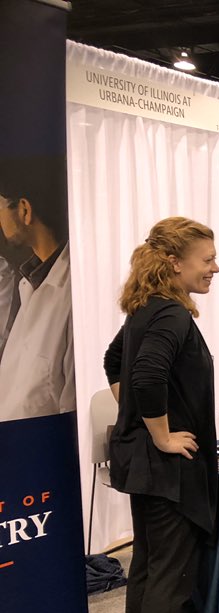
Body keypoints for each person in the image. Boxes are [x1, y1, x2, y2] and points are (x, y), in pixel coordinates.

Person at [103, 217, 219, 613]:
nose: (214, 268)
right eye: (207, 260)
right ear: (175, 263)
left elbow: (114, 362)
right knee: (169, 574)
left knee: (150, 568)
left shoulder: (146, 310)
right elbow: (146, 373)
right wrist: (161, 433)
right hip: (165, 469)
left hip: (144, 465)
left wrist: (132, 417)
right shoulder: (170, 315)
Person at [0, 156, 74, 420]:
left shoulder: (71, 294)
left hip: (44, 445)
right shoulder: (31, 282)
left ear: (24, 210)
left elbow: (70, 402)